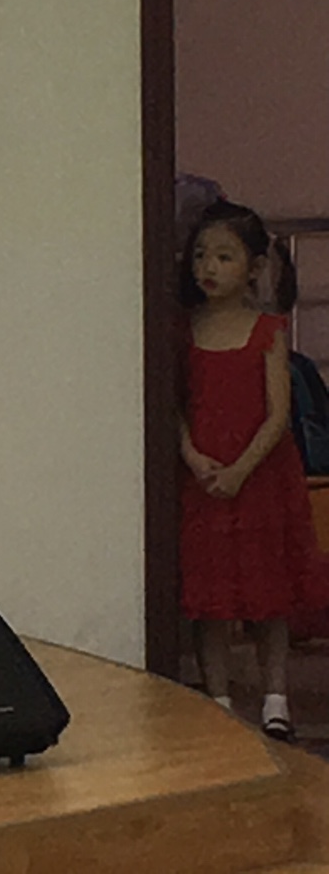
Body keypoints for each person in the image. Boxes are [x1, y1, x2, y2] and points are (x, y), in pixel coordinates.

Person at [179, 200, 326, 741]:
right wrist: (194, 457)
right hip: (203, 477)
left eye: (224, 257)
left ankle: (275, 698)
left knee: (270, 591)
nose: (208, 267)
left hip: (260, 475)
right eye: (201, 255)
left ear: (254, 267)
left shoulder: (268, 329)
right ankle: (217, 699)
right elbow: (174, 404)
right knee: (210, 595)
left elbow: (278, 414)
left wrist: (241, 469)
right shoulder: (183, 329)